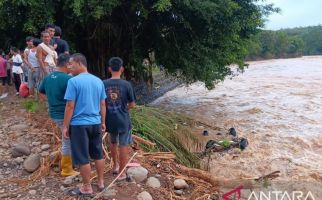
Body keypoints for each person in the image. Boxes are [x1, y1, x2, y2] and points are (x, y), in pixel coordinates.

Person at [63, 53, 106, 196]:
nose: (69, 66)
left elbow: (70, 106)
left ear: (80, 63)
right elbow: (102, 104)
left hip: (79, 124)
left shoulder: (73, 82)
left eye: (71, 64)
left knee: (83, 157)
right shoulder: (98, 81)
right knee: (98, 154)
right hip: (96, 123)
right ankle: (100, 182)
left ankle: (87, 187)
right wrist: (103, 122)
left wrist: (65, 126)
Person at [38, 54, 79, 177]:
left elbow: (40, 92)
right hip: (65, 114)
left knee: (68, 138)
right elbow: (73, 101)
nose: (71, 67)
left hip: (54, 113)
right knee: (67, 141)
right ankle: (66, 169)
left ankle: (71, 163)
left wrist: (50, 101)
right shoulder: (67, 79)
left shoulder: (48, 77)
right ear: (67, 64)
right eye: (71, 64)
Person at [103, 57, 136, 181]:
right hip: (123, 120)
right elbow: (132, 104)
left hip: (109, 119)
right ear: (122, 69)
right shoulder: (126, 84)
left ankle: (115, 166)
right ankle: (122, 173)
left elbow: (101, 103)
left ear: (109, 69)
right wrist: (125, 109)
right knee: (123, 145)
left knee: (113, 142)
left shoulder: (103, 83)